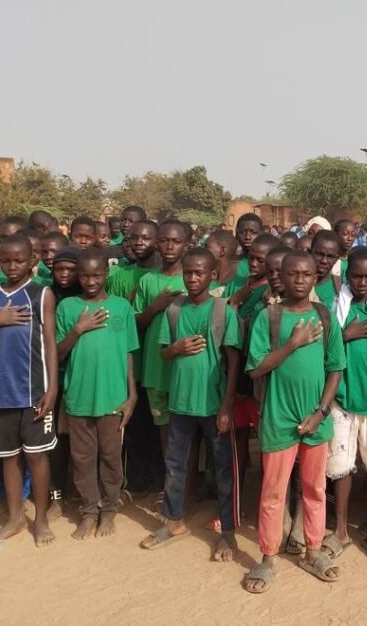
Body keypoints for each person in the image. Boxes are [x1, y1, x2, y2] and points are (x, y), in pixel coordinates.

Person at [243, 250, 345, 593]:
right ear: (281, 277)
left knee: (315, 489)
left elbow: (335, 369)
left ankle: (313, 550)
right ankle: (268, 557)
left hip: (315, 419)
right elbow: (256, 368)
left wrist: (320, 412)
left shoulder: (325, 316)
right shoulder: (268, 318)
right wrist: (292, 344)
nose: (300, 280)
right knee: (273, 492)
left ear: (315, 278)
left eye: (306, 274)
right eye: (293, 274)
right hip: (278, 418)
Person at [141, 247, 242, 559]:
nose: (193, 278)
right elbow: (163, 352)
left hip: (213, 405)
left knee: (223, 469)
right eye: (188, 272)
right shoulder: (174, 310)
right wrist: (178, 347)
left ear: (213, 275)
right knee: (175, 464)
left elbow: (234, 361)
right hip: (181, 403)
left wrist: (226, 407)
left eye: (200, 272)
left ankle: (227, 532)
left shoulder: (223, 311)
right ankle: (173, 521)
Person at [0, 233, 59, 547]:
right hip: (1, 393)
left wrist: (52, 389)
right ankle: (16, 517)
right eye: (5, 260)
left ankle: (42, 520)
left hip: (34, 390)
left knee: (37, 458)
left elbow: (49, 344)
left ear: (32, 260)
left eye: (19, 260)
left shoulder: (41, 293)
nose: (12, 265)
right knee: (8, 458)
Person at [56, 249, 138, 540]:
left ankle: (109, 510)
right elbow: (57, 352)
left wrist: (132, 394)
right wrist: (77, 330)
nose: (90, 281)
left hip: (113, 398)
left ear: (106, 273)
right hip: (78, 397)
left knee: (111, 457)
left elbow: (129, 352)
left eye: (97, 275)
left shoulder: (122, 308)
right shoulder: (67, 307)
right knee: (82, 458)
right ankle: (89, 511)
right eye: (84, 275)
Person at [321, 247, 367, 562]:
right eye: (356, 276)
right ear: (347, 275)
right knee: (341, 468)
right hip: (341, 400)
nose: (362, 282)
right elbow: (320, 349)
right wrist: (344, 335)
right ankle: (340, 531)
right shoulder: (333, 308)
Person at [134, 220, 188, 468]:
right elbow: (137, 324)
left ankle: (185, 484)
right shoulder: (147, 281)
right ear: (157, 243)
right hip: (155, 366)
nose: (169, 246)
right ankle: (169, 484)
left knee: (185, 427)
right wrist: (155, 306)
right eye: (164, 240)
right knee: (163, 430)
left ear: (186, 245)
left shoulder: (192, 278)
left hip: (184, 365)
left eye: (176, 241)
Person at [311, 230, 343, 308]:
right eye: (319, 254)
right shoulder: (297, 284)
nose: (324, 261)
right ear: (310, 252)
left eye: (330, 256)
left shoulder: (341, 290)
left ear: (336, 259)